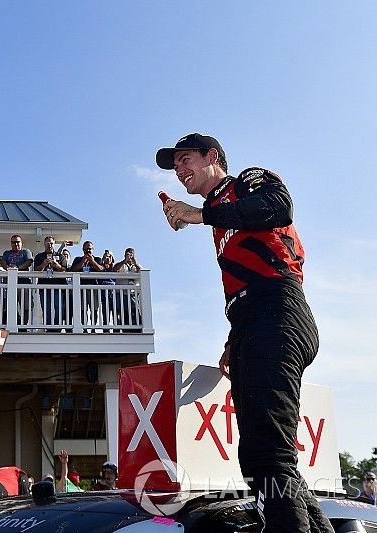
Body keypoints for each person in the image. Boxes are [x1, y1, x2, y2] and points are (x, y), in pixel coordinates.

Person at [156, 132, 333, 533]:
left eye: (185, 159)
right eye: (175, 165)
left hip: (278, 311)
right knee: (269, 457)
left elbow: (278, 206)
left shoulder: (246, 182)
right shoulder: (219, 213)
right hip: (254, 321)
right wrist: (233, 340)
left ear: (211, 156)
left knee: (267, 456)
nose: (179, 169)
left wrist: (199, 215)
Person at [70, 241, 106, 330]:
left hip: (94, 287)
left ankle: (93, 328)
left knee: (94, 309)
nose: (88, 251)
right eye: (86, 249)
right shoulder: (78, 259)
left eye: (89, 249)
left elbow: (101, 269)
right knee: (82, 309)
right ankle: (84, 328)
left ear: (93, 249)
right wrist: (83, 261)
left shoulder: (97, 259)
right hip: (81, 288)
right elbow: (73, 270)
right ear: (83, 250)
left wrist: (92, 261)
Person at [0, 235, 33, 327]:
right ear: (11, 243)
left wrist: (17, 268)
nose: (16, 244)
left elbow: (29, 262)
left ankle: (23, 327)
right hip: (11, 284)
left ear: (21, 243)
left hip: (24, 283)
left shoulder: (26, 251)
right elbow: (3, 263)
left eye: (18, 242)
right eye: (13, 242)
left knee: (26, 307)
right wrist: (9, 268)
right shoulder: (6, 253)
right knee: (11, 306)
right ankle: (14, 324)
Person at [34, 236, 66, 328]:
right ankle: (48, 328)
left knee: (59, 308)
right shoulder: (39, 256)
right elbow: (36, 270)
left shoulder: (60, 256)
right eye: (48, 243)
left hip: (58, 287)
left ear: (54, 244)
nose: (50, 245)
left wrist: (57, 265)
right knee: (46, 308)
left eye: (51, 243)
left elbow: (64, 270)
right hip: (44, 286)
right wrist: (44, 264)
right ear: (44, 244)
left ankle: (57, 328)